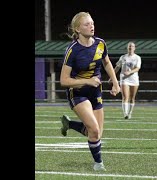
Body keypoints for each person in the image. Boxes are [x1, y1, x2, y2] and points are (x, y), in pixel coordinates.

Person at [59, 12, 121, 171]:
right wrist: (87, 81)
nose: (91, 26)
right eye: (87, 24)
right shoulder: (72, 50)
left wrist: (115, 82)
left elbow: (107, 63)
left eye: (92, 23)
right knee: (93, 129)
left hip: (95, 92)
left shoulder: (100, 43)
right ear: (77, 29)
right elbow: (64, 81)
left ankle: (70, 124)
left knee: (96, 133)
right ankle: (99, 164)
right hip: (78, 93)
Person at [110, 42, 141, 119]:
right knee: (125, 97)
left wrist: (129, 72)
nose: (130, 48)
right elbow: (117, 67)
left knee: (132, 98)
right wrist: (112, 76)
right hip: (124, 79)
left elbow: (137, 68)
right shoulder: (123, 57)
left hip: (134, 79)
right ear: (127, 48)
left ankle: (130, 113)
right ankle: (125, 114)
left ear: (134, 48)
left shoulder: (137, 58)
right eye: (129, 46)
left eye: (132, 46)